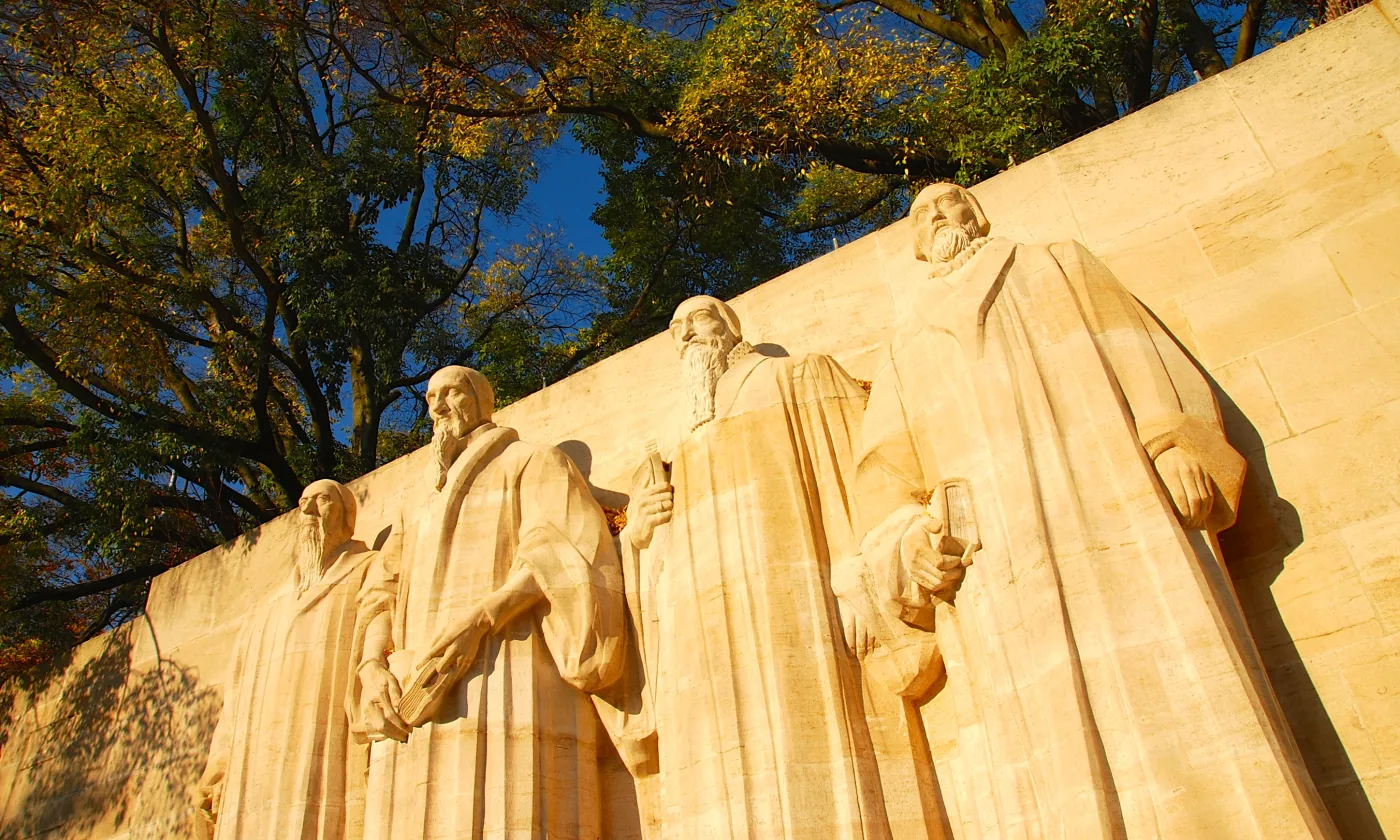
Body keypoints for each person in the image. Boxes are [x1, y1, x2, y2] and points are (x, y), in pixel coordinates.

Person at [854, 182, 1339, 839]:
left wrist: (1173, 444)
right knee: (1041, 743)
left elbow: (1139, 352)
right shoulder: (903, 342)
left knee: (1185, 680)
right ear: (912, 245)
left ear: (977, 213)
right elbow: (884, 474)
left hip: (1115, 504)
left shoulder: (1055, 262)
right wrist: (912, 543)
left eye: (950, 202)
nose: (939, 215)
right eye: (923, 213)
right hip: (998, 559)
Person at [621, 296, 940, 840]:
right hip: (700, 627)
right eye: (674, 329)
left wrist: (855, 577)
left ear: (728, 325)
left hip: (794, 596)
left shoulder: (797, 375)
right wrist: (639, 534)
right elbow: (653, 555)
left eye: (695, 320)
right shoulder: (674, 435)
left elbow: (856, 479)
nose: (684, 336)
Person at [352, 365, 630, 840]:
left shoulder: (532, 461)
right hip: (412, 684)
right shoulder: (414, 504)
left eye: (452, 392)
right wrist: (370, 663)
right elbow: (381, 591)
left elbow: (571, 550)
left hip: (509, 661)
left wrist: (483, 617)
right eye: (430, 398)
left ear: (482, 400)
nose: (438, 406)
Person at [196, 479, 378, 840]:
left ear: (345, 515)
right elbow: (234, 695)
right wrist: (218, 764)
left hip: (325, 739)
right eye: (303, 502)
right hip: (255, 761)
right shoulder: (265, 608)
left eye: (322, 500)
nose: (309, 511)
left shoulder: (367, 568)